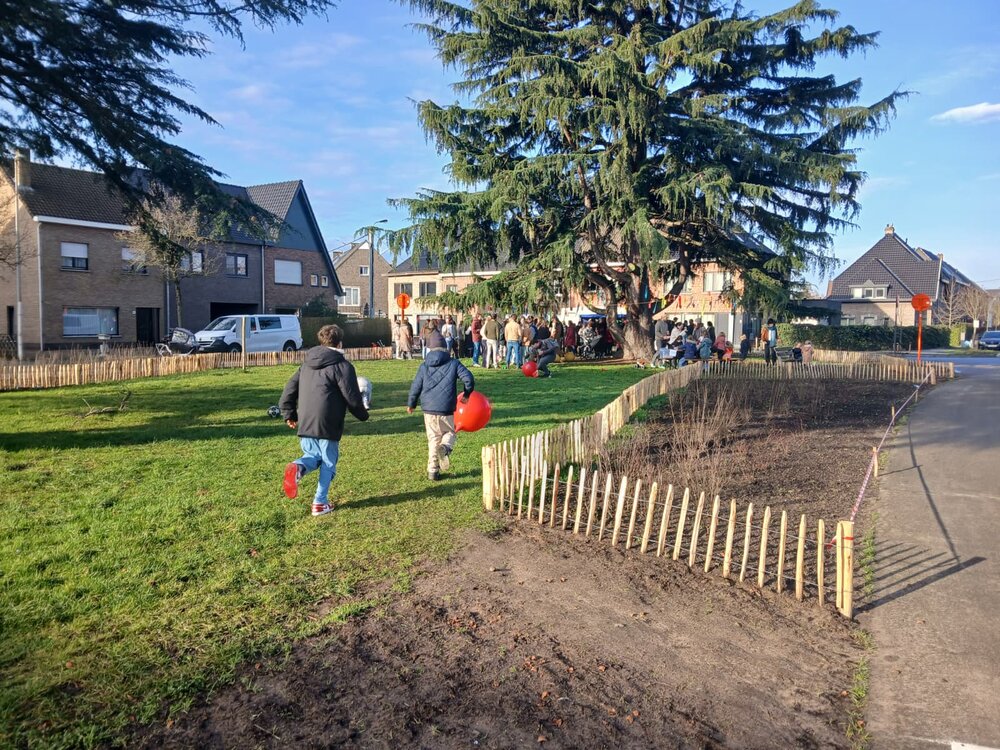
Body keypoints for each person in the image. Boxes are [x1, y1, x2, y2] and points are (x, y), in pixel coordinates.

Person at [280, 324, 369, 517]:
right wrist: (363, 415)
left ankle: (297, 467)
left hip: (306, 420)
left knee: (312, 456)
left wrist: (289, 413)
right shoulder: (342, 366)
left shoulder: (306, 364)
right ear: (339, 342)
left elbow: (289, 390)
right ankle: (320, 503)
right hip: (328, 421)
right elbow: (352, 396)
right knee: (328, 461)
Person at [407, 342, 475, 480]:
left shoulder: (424, 365)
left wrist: (411, 404)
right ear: (446, 349)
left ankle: (432, 471)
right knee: (450, 432)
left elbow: (416, 386)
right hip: (446, 408)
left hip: (428, 409)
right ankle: (445, 447)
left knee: (433, 439)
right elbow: (469, 379)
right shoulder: (454, 363)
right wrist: (467, 395)